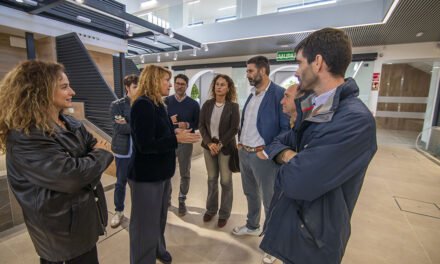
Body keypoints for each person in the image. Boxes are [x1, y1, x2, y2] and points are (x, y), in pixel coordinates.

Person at [259, 28, 377, 264]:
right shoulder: (315, 108)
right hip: (295, 228)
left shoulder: (354, 120)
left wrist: (291, 158)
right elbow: (277, 143)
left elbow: (296, 182)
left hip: (315, 241)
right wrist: (291, 156)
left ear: (318, 62)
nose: (297, 70)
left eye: (300, 62)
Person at [0, 60, 113, 264]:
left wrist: (87, 164)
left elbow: (86, 162)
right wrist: (99, 156)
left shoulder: (70, 123)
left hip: (83, 224)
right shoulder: (26, 136)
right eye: (64, 86)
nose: (72, 90)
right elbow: (72, 177)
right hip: (61, 238)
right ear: (39, 91)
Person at [128, 65, 200, 264]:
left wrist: (175, 133)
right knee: (144, 225)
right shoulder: (142, 104)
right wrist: (177, 140)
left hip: (161, 174)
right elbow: (145, 144)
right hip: (146, 177)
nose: (170, 84)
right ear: (153, 80)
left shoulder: (158, 104)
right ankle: (143, 258)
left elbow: (159, 133)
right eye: (166, 80)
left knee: (158, 219)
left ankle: (158, 248)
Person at [232, 56, 289, 264]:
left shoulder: (278, 94)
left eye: (250, 71)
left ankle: (274, 244)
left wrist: (268, 151)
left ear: (263, 71)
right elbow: (247, 123)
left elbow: (285, 130)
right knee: (250, 193)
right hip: (244, 153)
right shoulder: (252, 94)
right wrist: (240, 143)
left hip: (262, 155)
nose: (247, 75)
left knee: (270, 199)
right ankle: (252, 225)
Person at [199, 74, 240, 228]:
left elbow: (234, 128)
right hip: (208, 147)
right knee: (211, 179)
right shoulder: (207, 105)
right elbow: (201, 125)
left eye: (223, 84)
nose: (219, 87)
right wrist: (210, 143)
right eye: (217, 84)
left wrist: (220, 144)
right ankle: (210, 210)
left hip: (226, 147)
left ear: (228, 88)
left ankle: (224, 213)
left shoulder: (233, 107)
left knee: (225, 181)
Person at [164, 74, 200, 216]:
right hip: (169, 141)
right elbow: (160, 123)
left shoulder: (193, 104)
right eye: (177, 83)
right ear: (174, 84)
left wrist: (187, 124)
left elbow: (197, 123)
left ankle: (182, 199)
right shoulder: (166, 101)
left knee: (185, 172)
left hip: (185, 143)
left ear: (186, 86)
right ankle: (166, 199)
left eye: (182, 84)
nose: (179, 86)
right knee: (167, 171)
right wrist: (172, 127)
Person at [109, 74, 138, 228]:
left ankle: (138, 213)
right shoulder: (117, 105)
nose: (138, 89)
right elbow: (120, 127)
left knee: (137, 185)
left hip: (139, 152)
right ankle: (119, 211)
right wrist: (137, 127)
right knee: (121, 183)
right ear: (127, 87)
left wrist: (131, 125)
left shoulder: (142, 104)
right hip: (123, 151)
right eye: (134, 87)